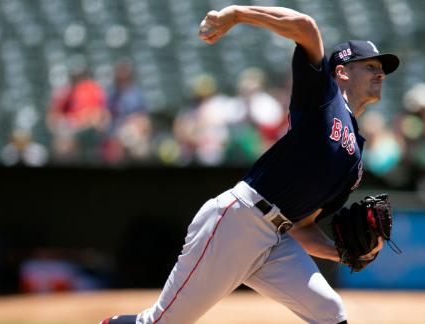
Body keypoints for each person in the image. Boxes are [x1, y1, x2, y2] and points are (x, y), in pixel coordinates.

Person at [101, 5, 399, 324]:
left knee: (331, 314)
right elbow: (307, 27)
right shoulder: (324, 98)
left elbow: (302, 227)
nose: (379, 72)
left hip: (276, 239)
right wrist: (237, 14)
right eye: (369, 66)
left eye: (380, 67)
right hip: (237, 221)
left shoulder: (354, 160)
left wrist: (343, 253)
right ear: (341, 72)